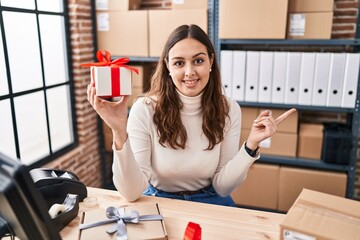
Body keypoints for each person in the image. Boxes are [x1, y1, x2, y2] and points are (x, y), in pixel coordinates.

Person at [87, 24, 296, 207]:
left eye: (198, 60)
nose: (189, 72)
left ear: (211, 61)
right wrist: (118, 131)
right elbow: (131, 193)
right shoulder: (145, 109)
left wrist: (251, 145)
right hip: (161, 200)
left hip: (211, 199)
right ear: (168, 66)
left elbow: (223, 187)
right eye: (179, 63)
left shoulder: (229, 109)